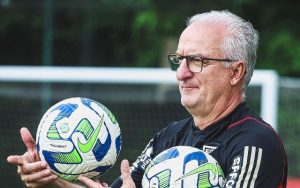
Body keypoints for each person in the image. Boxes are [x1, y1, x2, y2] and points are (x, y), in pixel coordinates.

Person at [7, 10, 287, 188]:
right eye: (179, 60)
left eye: (197, 60)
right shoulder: (170, 137)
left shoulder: (255, 145)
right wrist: (51, 179)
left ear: (235, 71)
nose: (181, 73)